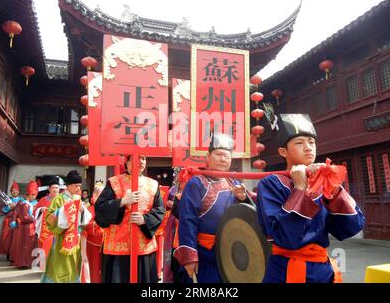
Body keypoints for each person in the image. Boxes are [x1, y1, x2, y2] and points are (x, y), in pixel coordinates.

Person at [256, 114, 365, 283]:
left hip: (323, 269)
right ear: (283, 151)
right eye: (299, 143)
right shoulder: (271, 183)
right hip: (286, 269)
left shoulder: (322, 181)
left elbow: (352, 227)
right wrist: (300, 189)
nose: (308, 148)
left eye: (311, 142)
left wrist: (332, 188)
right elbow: (285, 237)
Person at [173, 133, 253, 283]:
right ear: (208, 156)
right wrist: (190, 256)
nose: (223, 159)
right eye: (218, 154)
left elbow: (249, 212)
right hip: (204, 256)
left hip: (231, 254)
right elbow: (187, 220)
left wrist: (244, 198)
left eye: (227, 156)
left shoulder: (233, 181)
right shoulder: (197, 183)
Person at [95, 155, 166, 283]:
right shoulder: (114, 182)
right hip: (117, 247)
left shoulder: (153, 184)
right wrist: (122, 202)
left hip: (143, 247)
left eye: (143, 158)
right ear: (127, 162)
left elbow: (160, 210)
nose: (141, 162)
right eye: (136, 158)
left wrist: (145, 219)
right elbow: (100, 209)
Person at [41, 170, 91, 283]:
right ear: (68, 186)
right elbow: (49, 218)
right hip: (61, 240)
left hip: (75, 240)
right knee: (60, 268)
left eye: (80, 186)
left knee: (73, 267)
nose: (79, 188)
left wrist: (83, 211)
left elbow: (85, 219)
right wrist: (64, 211)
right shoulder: (59, 199)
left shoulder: (77, 199)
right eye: (76, 186)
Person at [9, 180, 38, 268]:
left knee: (25, 246)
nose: (35, 197)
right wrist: (34, 218)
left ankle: (25, 262)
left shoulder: (26, 203)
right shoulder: (24, 204)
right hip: (25, 228)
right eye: (34, 195)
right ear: (30, 195)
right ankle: (23, 263)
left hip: (26, 228)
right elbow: (24, 217)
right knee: (25, 246)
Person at [81, 181, 105, 283]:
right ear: (95, 196)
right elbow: (87, 225)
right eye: (101, 194)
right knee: (94, 270)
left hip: (107, 243)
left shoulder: (107, 208)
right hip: (93, 244)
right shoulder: (89, 209)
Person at [34, 178, 61, 262]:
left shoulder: (62, 200)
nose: (55, 190)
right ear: (49, 189)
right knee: (44, 247)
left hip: (58, 229)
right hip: (45, 230)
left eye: (57, 187)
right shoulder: (43, 200)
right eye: (53, 188)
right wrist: (40, 210)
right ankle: (43, 267)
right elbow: (35, 212)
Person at [0, 181, 22, 261]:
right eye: (13, 190)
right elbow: (3, 210)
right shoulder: (7, 199)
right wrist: (9, 207)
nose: (14, 191)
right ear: (11, 192)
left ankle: (15, 254)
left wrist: (17, 206)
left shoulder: (22, 200)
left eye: (16, 190)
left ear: (18, 191)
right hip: (8, 221)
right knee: (7, 238)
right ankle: (8, 253)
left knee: (16, 238)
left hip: (17, 221)